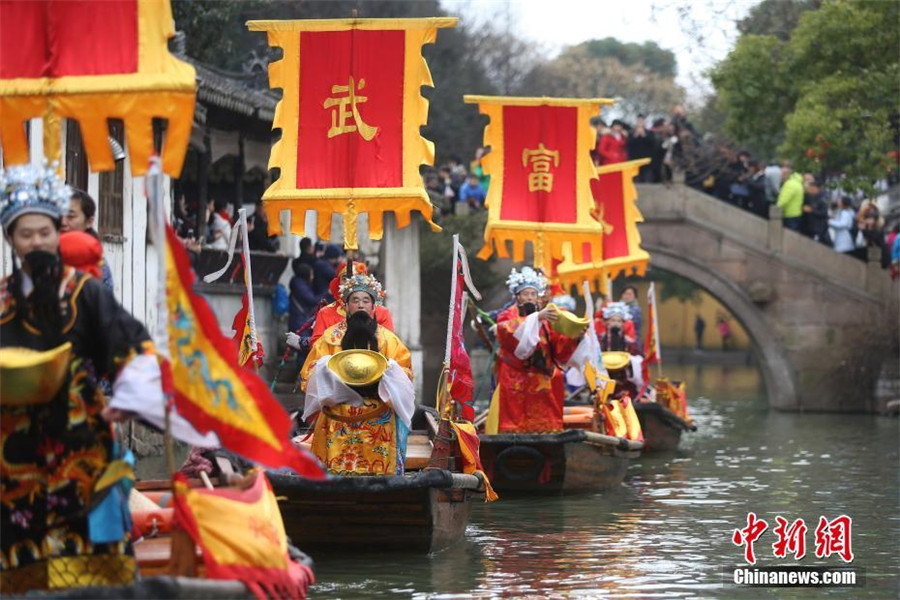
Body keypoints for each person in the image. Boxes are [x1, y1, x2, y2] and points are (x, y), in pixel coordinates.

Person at [0, 164, 166, 592]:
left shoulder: (86, 293)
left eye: (44, 232)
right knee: (18, 557)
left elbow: (134, 348)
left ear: (58, 234)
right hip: (13, 450)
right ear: (11, 241)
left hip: (82, 445)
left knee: (91, 566)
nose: (36, 242)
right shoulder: (1, 299)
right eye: (25, 234)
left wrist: (127, 398)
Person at [299, 272, 414, 476]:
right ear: (346, 305)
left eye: (365, 300)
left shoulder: (388, 340)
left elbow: (407, 374)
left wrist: (390, 372)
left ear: (373, 306)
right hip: (337, 410)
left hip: (378, 410)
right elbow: (308, 374)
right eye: (355, 300)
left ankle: (382, 476)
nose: (360, 305)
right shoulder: (330, 337)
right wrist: (325, 372)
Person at [492, 267, 585, 433]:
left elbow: (558, 347)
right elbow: (507, 332)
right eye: (525, 294)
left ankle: (549, 435)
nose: (530, 297)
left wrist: (575, 336)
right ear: (517, 297)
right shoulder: (507, 315)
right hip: (516, 375)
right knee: (515, 417)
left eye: (533, 294)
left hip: (541, 374)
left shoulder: (546, 317)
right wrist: (536, 318)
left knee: (554, 383)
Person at [307, 261, 394, 343]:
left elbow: (391, 345)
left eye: (355, 278)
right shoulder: (325, 313)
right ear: (338, 283)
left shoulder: (382, 313)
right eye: (345, 279)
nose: (350, 283)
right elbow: (317, 346)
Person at [61, 189, 113, 290]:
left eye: (70, 216)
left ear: (89, 222)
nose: (63, 222)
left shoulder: (98, 264)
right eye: (59, 215)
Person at [288, 260, 326, 332]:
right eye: (311, 274)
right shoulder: (300, 286)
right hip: (300, 319)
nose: (312, 277)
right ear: (306, 274)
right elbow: (311, 300)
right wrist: (326, 294)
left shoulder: (300, 284)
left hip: (299, 318)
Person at [627, 114, 656, 182]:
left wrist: (644, 135)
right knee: (635, 181)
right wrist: (635, 135)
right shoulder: (631, 133)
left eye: (642, 121)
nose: (640, 122)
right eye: (638, 121)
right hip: (635, 161)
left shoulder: (650, 133)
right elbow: (628, 144)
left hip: (647, 162)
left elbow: (652, 144)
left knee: (647, 180)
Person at [776, 162, 804, 232]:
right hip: (796, 214)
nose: (781, 176)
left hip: (789, 215)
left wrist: (776, 207)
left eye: (783, 174)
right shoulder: (797, 182)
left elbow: (782, 201)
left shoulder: (789, 184)